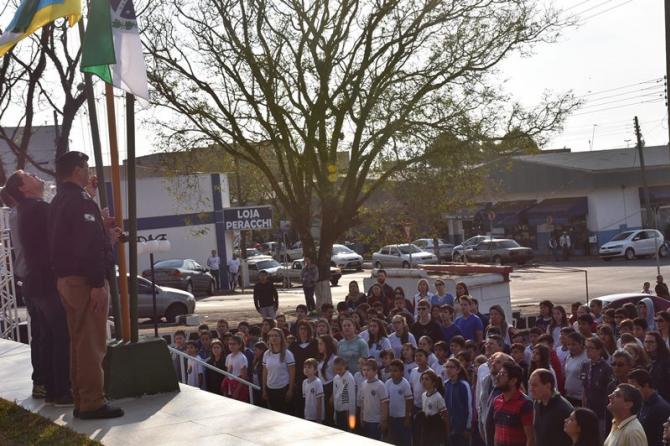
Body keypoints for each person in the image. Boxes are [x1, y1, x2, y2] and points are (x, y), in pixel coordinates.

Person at [48, 151, 123, 419]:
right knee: (92, 343)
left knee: (79, 343)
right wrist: (97, 284)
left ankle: (82, 399)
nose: (89, 172)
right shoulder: (80, 202)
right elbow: (88, 246)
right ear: (78, 170)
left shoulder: (58, 201)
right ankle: (92, 402)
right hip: (83, 281)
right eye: (87, 167)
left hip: (66, 280)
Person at [5, 170, 72, 406]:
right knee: (60, 335)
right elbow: (65, 230)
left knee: (46, 336)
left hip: (32, 282)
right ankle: (60, 391)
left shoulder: (22, 211)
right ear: (23, 188)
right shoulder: (38, 208)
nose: (35, 175)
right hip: (45, 282)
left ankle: (47, 386)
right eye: (28, 175)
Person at [492, 361, 534, 446]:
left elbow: (531, 438)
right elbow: (497, 431)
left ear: (513, 381)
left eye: (502, 374)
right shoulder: (497, 401)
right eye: (499, 373)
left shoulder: (525, 404)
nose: (497, 376)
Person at [530, 368, 573, 446]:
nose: (531, 389)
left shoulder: (563, 409)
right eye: (530, 385)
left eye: (535, 385)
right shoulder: (537, 403)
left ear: (548, 386)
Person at [628, 368, 670, 446]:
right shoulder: (642, 403)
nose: (633, 394)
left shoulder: (661, 408)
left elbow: (662, 440)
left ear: (646, 385)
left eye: (636, 389)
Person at [581, 337, 612, 437]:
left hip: (601, 410)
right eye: (586, 348)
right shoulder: (585, 365)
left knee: (599, 437)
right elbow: (584, 388)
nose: (587, 350)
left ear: (599, 350)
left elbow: (609, 391)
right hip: (588, 407)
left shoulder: (606, 368)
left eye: (591, 348)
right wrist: (583, 406)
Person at [262, 328, 296, 415]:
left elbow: (292, 373)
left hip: (283, 389)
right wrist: (264, 390)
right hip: (270, 389)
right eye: (271, 336)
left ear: (281, 337)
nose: (273, 338)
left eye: (276, 335)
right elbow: (265, 372)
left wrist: (290, 390)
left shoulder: (288, 354)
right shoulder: (266, 354)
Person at [290, 320, 319, 417]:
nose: (303, 331)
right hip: (299, 379)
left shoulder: (315, 343)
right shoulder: (293, 346)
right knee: (300, 404)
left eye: (305, 329)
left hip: (313, 378)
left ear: (309, 330)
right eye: (301, 329)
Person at [359, 359, 389, 441]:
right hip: (366, 419)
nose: (365, 372)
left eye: (368, 370)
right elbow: (363, 402)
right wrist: (361, 416)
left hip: (376, 421)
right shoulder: (363, 384)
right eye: (364, 370)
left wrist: (383, 420)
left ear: (375, 371)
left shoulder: (380, 385)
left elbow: (384, 404)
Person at [445, 358, 473, 446]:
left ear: (458, 370)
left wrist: (468, 427)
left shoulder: (464, 385)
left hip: (462, 429)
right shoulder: (446, 384)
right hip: (449, 427)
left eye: (451, 367)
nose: (448, 369)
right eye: (447, 367)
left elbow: (469, 407)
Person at [385, 359, 413, 446]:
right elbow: (386, 401)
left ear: (401, 372)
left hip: (402, 417)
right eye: (391, 371)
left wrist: (407, 417)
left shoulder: (405, 384)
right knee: (393, 439)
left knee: (404, 440)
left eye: (395, 371)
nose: (392, 373)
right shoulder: (388, 383)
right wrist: (386, 416)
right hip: (392, 417)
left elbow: (409, 401)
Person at [416, 370, 448, 446]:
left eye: (427, 379)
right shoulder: (423, 395)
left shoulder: (438, 397)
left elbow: (444, 416)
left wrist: (445, 433)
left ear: (433, 383)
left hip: (435, 428)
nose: (424, 382)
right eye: (422, 379)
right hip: (425, 426)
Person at [644, 331, 670, 403]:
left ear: (658, 343)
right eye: (646, 342)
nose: (648, 344)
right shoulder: (648, 361)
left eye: (651, 342)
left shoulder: (666, 361)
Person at [222, 335, 249, 401]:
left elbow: (244, 376)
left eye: (234, 344)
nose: (231, 346)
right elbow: (228, 372)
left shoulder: (242, 358)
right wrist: (225, 385)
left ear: (239, 345)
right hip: (230, 385)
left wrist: (237, 391)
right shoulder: (228, 356)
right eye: (230, 344)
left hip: (238, 386)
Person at [333, 356, 357, 431]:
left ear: (345, 366)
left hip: (346, 411)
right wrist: (335, 413)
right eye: (336, 369)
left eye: (340, 369)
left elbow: (352, 399)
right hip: (338, 410)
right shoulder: (335, 378)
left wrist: (351, 416)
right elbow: (335, 395)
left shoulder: (349, 378)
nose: (338, 372)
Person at [564, 332, 588, 407]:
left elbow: (586, 381)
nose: (570, 347)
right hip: (569, 397)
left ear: (581, 343)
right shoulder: (569, 356)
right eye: (568, 344)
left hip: (580, 399)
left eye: (573, 344)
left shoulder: (586, 358)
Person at [302, 358, 325, 423]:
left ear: (315, 370)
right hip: (307, 415)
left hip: (316, 417)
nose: (306, 369)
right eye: (305, 367)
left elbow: (319, 402)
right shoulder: (304, 382)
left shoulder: (318, 382)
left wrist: (318, 418)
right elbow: (306, 400)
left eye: (309, 367)